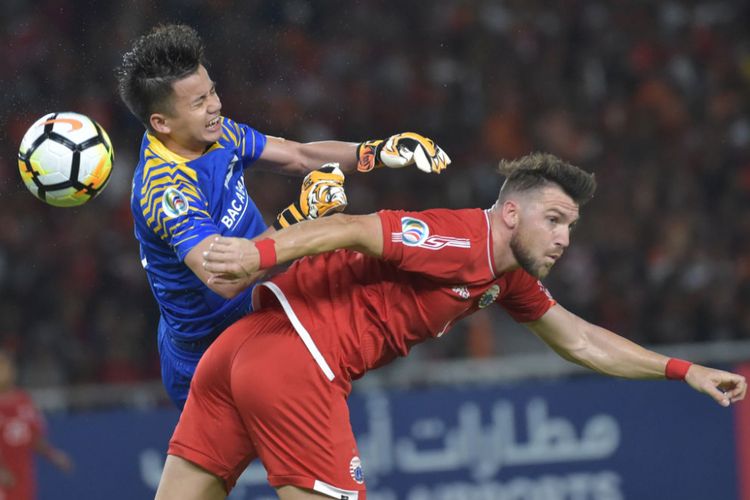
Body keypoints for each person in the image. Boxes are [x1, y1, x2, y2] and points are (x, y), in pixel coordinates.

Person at [153, 152, 747, 499]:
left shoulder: (506, 275)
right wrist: (258, 254)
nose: (565, 237)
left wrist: (683, 370)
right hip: (296, 362)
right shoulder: (462, 238)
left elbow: (581, 340)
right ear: (511, 212)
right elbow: (355, 227)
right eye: (556, 219)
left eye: (572, 226)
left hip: (236, 355)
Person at [115, 24, 451, 408]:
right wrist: (299, 215)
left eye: (212, 92)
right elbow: (223, 279)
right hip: (211, 351)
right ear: (161, 123)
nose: (215, 106)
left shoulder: (218, 133)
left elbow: (298, 156)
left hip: (265, 302)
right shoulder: (165, 191)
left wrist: (378, 151)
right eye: (198, 103)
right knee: (229, 465)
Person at [0, 352, 73, 500]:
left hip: (22, 476)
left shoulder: (23, 400)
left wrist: (53, 455)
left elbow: (34, 436)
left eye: (5, 367)